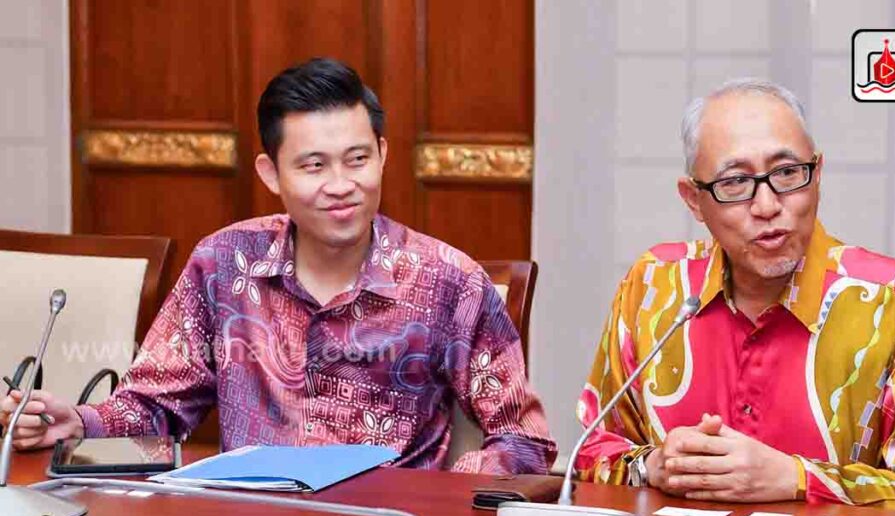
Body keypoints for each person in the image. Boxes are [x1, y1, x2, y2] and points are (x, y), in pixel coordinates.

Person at [0, 58, 556, 475]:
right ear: (271, 174)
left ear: (383, 155)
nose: (341, 185)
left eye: (358, 159)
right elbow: (155, 408)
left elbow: (526, 440)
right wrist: (81, 422)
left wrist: (450, 490)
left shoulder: (448, 281)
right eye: (314, 166)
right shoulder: (224, 264)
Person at [574, 79, 895, 509]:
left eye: (788, 174)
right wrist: (653, 466)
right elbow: (589, 453)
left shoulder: (891, 300)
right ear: (694, 200)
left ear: (817, 174)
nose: (767, 206)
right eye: (735, 182)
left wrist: (796, 479)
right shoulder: (654, 287)